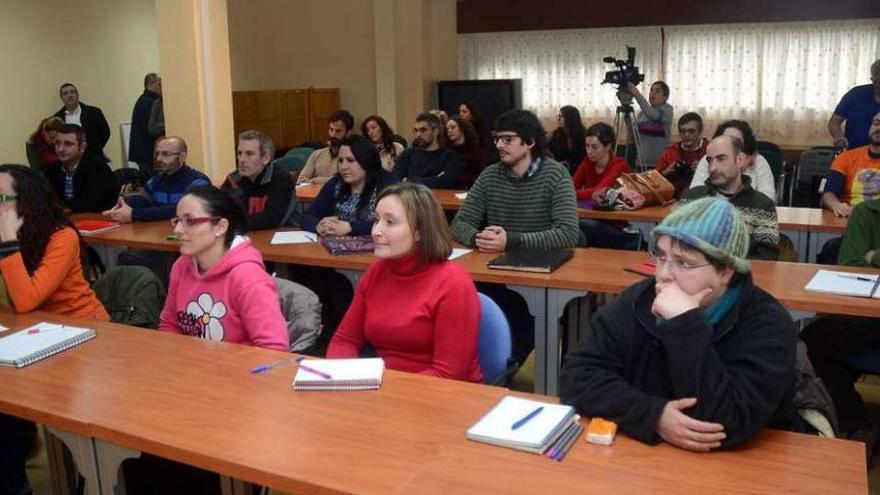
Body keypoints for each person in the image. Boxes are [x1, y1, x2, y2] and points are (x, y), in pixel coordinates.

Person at [559, 197, 796, 452]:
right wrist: (654, 415)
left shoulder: (768, 323)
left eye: (683, 262)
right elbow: (576, 376)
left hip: (742, 470)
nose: (663, 274)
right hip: (647, 461)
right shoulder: (640, 300)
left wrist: (685, 325)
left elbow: (723, 424)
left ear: (726, 271)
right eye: (661, 257)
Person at [0, 163, 109, 495]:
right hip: (31, 336)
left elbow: (26, 299)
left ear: (27, 200)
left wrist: (6, 242)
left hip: (82, 337)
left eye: (3, 197)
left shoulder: (63, 236)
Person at [450, 109, 578, 364]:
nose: (499, 145)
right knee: (460, 314)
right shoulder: (490, 175)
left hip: (537, 276)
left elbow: (567, 233)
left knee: (514, 337)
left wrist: (512, 240)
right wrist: (479, 237)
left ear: (529, 142)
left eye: (507, 139)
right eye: (497, 139)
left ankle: (503, 369)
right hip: (494, 272)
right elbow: (459, 223)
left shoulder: (555, 175)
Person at [327, 182, 482, 382]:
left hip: (441, 396)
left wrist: (382, 389)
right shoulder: (377, 271)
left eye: (390, 222)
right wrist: (338, 380)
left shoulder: (454, 284)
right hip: (385, 388)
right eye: (376, 220)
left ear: (420, 231)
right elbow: (345, 341)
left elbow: (448, 375)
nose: (375, 231)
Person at [159, 185, 289, 350]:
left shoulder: (248, 277)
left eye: (189, 221)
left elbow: (273, 349)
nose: (177, 230)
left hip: (238, 373)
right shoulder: (181, 266)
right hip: (191, 368)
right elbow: (169, 325)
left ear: (220, 227)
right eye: (177, 220)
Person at [801, 196, 880, 447]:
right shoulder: (867, 213)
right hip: (870, 313)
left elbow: (865, 259)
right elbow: (850, 264)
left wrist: (874, 256)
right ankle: (855, 422)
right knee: (813, 338)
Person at [681, 135, 780, 261]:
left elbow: (767, 259)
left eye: (721, 159)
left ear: (739, 160)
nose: (713, 167)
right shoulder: (690, 198)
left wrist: (719, 266)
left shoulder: (762, 205)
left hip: (738, 277)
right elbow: (670, 243)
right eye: (710, 161)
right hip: (691, 275)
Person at [301, 135, 397, 236]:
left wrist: (351, 227)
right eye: (340, 161)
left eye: (350, 160)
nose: (343, 167)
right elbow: (308, 216)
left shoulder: (388, 183)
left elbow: (392, 223)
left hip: (379, 246)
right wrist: (318, 226)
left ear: (366, 160)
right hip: (336, 245)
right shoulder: (335, 183)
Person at [104, 136, 209, 222]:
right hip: (158, 235)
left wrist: (134, 214)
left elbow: (179, 209)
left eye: (166, 154)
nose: (159, 159)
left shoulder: (198, 182)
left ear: (182, 157)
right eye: (157, 153)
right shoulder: (155, 180)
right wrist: (123, 204)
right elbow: (143, 200)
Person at [572, 123, 636, 249]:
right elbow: (572, 185)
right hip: (593, 216)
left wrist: (569, 194)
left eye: (594, 147)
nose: (589, 151)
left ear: (608, 146)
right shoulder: (587, 162)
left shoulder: (619, 164)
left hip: (614, 224)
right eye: (587, 146)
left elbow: (599, 191)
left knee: (575, 224)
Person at [221, 130, 296, 230]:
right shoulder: (234, 179)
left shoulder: (280, 178)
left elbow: (272, 219)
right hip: (245, 234)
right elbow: (218, 209)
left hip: (280, 236)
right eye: (239, 153)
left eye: (249, 154)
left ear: (265, 158)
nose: (241, 159)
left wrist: (231, 223)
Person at [689, 120, 776, 202]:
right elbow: (695, 193)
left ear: (745, 143)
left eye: (736, 140)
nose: (730, 143)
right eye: (726, 138)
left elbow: (769, 197)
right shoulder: (708, 159)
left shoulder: (759, 161)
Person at [44, 124, 117, 213]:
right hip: (66, 220)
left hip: (97, 219)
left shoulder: (98, 168)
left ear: (82, 147)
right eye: (57, 143)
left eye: (68, 144)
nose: (60, 149)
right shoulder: (52, 169)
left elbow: (90, 203)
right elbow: (47, 199)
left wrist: (64, 209)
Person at [821, 111, 880, 218]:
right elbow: (829, 194)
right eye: (876, 123)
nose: (878, 128)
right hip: (849, 218)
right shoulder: (846, 157)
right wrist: (837, 206)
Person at [392, 112, 462, 189]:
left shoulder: (449, 157)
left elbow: (447, 182)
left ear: (436, 131)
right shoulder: (408, 154)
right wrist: (434, 180)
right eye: (416, 130)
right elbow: (394, 180)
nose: (418, 134)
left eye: (423, 130)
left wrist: (410, 181)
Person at [829, 59, 880, 150]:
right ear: (872, 79)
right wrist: (839, 137)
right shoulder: (855, 95)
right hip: (854, 155)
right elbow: (834, 122)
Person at [655, 112, 709, 198]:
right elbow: (654, 182)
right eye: (682, 131)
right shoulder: (670, 152)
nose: (686, 135)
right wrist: (666, 173)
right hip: (673, 199)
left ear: (700, 132)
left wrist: (703, 169)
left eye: (691, 131)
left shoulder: (709, 150)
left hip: (703, 199)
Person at [53, 83, 111, 162]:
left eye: (72, 92)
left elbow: (105, 132)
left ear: (77, 95)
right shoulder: (57, 118)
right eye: (65, 93)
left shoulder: (94, 112)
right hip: (70, 161)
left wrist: (95, 150)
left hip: (94, 157)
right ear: (62, 98)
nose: (69, 95)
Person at [623, 80, 674, 169]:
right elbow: (633, 136)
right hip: (641, 163)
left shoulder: (667, 111)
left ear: (665, 97)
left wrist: (635, 92)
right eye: (651, 90)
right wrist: (626, 112)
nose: (652, 93)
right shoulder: (642, 114)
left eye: (657, 91)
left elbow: (652, 114)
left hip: (659, 164)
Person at [299, 110, 355, 184]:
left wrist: (315, 180)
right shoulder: (316, 154)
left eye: (338, 131)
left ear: (348, 133)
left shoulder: (354, 156)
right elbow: (300, 181)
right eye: (331, 130)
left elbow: (344, 182)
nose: (333, 135)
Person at [128, 73, 162, 180]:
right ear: (152, 84)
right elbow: (151, 129)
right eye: (159, 84)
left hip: (140, 151)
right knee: (151, 182)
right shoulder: (151, 102)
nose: (161, 87)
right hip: (147, 153)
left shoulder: (143, 100)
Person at [445, 116, 488, 188]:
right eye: (447, 129)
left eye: (452, 127)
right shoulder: (447, 152)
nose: (449, 131)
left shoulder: (476, 151)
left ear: (462, 128)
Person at [548, 105, 587, 173]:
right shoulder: (556, 135)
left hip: (580, 170)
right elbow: (549, 154)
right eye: (558, 116)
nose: (558, 119)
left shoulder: (583, 135)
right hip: (560, 170)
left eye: (561, 116)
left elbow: (584, 157)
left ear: (570, 118)